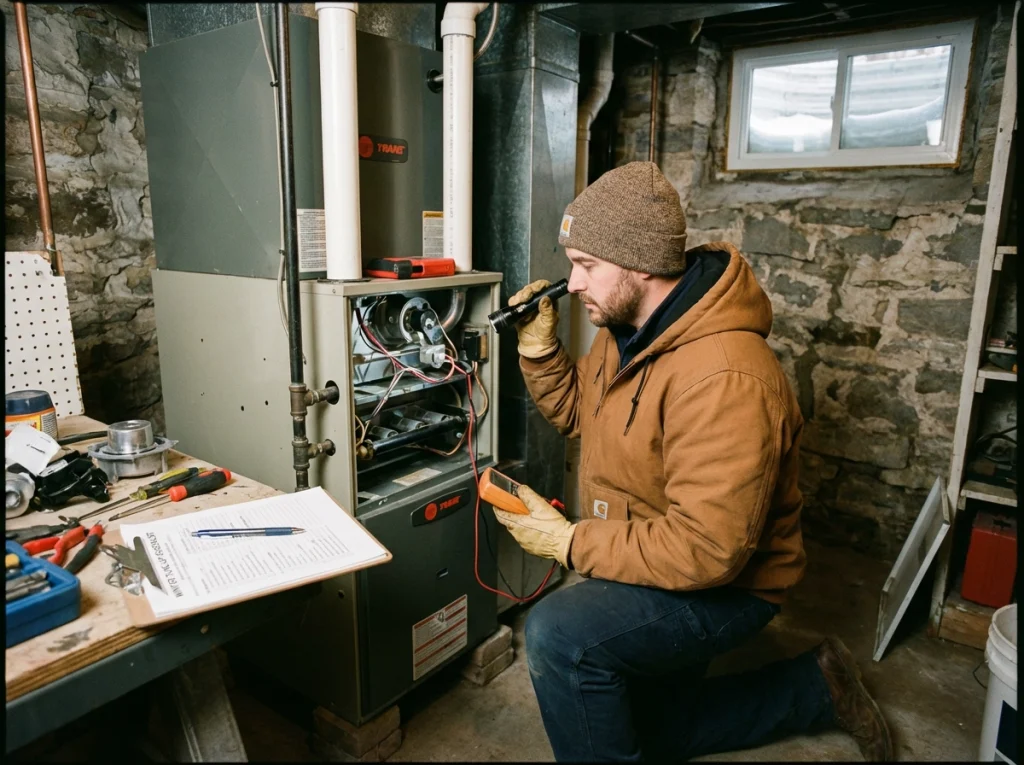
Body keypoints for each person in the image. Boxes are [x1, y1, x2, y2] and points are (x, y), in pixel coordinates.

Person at [491, 161, 893, 762]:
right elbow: (584, 417)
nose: (572, 285)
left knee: (559, 638)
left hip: (726, 587)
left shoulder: (726, 376)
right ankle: (816, 687)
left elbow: (708, 549)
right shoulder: (629, 329)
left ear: (640, 265)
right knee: (638, 727)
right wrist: (540, 350)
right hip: (650, 555)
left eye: (586, 266)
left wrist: (574, 543)